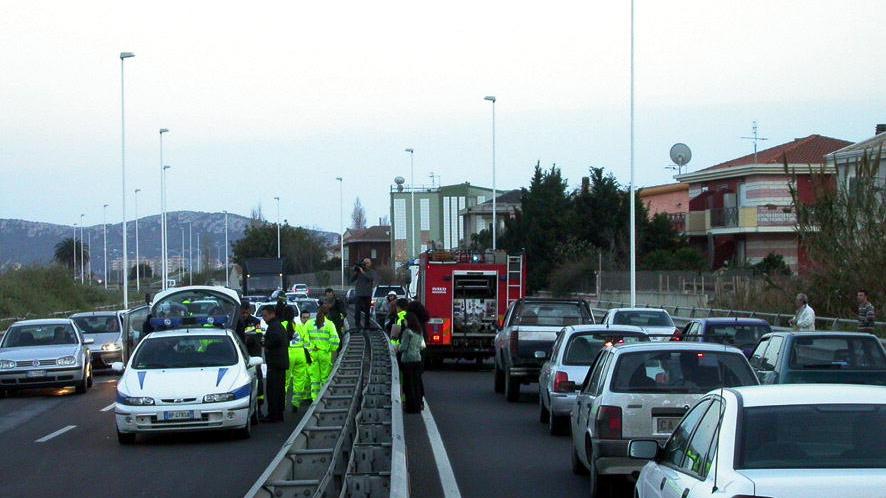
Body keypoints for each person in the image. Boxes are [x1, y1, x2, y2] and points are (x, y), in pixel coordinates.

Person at [235, 302, 264, 414]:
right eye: (243, 312)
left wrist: (249, 339)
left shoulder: (255, 321)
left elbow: (258, 335)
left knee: (258, 380)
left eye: (246, 312)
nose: (244, 314)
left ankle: (259, 405)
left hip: (254, 353)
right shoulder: (237, 321)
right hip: (241, 355)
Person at [304, 308, 340, 400]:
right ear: (327, 314)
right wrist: (329, 348)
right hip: (325, 354)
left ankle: (314, 399)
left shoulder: (309, 323)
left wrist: (311, 349)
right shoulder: (329, 324)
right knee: (324, 378)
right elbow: (335, 340)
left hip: (313, 354)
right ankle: (323, 399)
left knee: (314, 379)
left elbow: (304, 339)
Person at [261, 306, 289, 423]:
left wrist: (265, 342)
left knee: (273, 391)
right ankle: (278, 414)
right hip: (279, 363)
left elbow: (276, 340)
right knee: (278, 390)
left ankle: (274, 415)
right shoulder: (277, 325)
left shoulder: (274, 326)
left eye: (265, 315)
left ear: (271, 314)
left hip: (276, 364)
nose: (263, 318)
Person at [398, 312, 425, 413]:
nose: (404, 322)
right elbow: (422, 346)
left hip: (408, 360)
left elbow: (403, 347)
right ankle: (417, 406)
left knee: (408, 385)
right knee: (416, 384)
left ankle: (410, 407)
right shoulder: (419, 332)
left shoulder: (407, 332)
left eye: (405, 320)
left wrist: (397, 347)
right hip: (417, 359)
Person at [286, 309, 313, 412]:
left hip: (289, 353)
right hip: (301, 353)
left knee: (285, 381)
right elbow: (307, 343)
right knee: (299, 381)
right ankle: (296, 403)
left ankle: (281, 405)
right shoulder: (302, 328)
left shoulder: (284, 325)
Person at [350, 257, 377, 329]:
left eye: (367, 263)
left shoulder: (372, 272)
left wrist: (363, 272)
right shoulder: (359, 271)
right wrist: (356, 272)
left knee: (367, 311)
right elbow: (351, 280)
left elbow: (371, 278)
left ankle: (367, 325)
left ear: (370, 264)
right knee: (357, 311)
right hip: (359, 294)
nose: (365, 264)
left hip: (367, 294)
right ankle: (357, 325)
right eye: (364, 263)